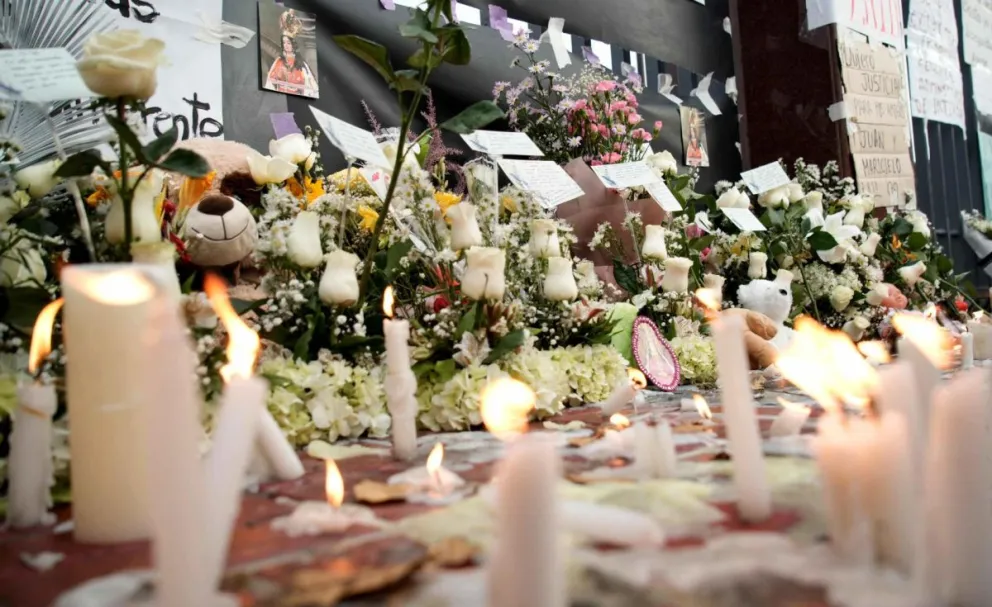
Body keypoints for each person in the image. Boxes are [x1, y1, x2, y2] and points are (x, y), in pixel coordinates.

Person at [265, 11, 318, 98]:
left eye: (288, 43)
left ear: (293, 45)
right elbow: (269, 83)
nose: (286, 46)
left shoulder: (302, 65)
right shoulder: (278, 61)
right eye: (284, 43)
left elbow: (312, 88)